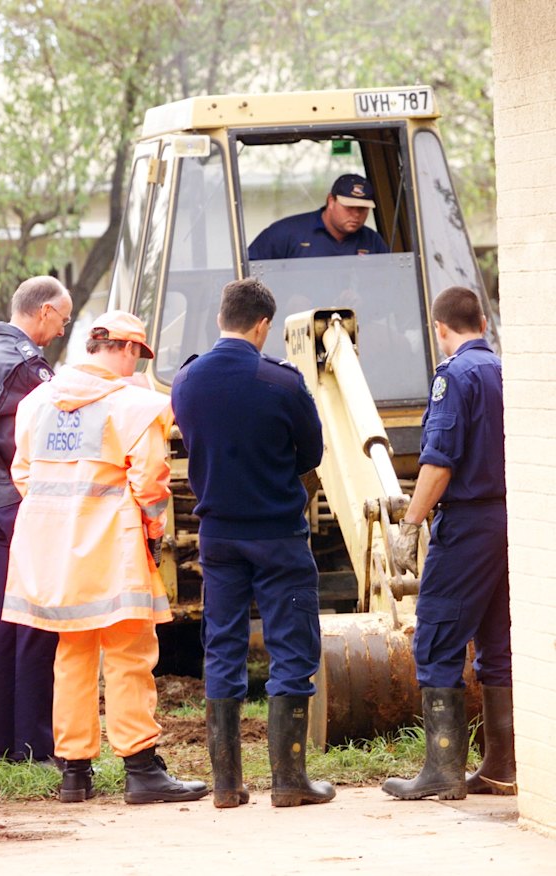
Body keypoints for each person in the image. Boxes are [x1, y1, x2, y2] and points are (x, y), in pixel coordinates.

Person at [2, 310, 208, 805]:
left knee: (71, 657)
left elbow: (23, 473)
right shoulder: (137, 407)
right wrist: (153, 532)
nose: (136, 366)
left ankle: (74, 773)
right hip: (113, 548)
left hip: (54, 552)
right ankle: (141, 769)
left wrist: (64, 515)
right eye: (137, 355)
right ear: (128, 349)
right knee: (130, 656)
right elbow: (151, 483)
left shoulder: (35, 403)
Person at [171, 277, 335, 809]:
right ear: (263, 325)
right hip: (278, 535)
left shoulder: (186, 381)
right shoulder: (282, 382)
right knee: (290, 647)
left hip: (218, 535)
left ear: (222, 316)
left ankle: (225, 786)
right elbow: (311, 453)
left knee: (223, 647)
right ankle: (289, 782)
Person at [382, 286, 515, 801]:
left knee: (436, 636)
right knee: (497, 639)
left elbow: (440, 461)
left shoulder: (453, 376)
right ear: (482, 320)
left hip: (468, 524)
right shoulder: (505, 370)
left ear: (441, 329)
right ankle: (502, 765)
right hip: (510, 520)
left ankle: (441, 769)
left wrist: (411, 523)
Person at [0, 275, 73, 765]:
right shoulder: (23, 366)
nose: (62, 330)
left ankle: (4, 742)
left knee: (6, 616)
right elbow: (53, 431)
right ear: (45, 311)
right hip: (25, 501)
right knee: (36, 614)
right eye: (64, 318)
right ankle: (35, 745)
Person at [248, 173, 388, 260]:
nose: (356, 214)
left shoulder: (373, 241)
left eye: (362, 209)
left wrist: (362, 297)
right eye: (349, 207)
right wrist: (287, 298)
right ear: (331, 201)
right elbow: (249, 276)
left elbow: (388, 285)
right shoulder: (286, 232)